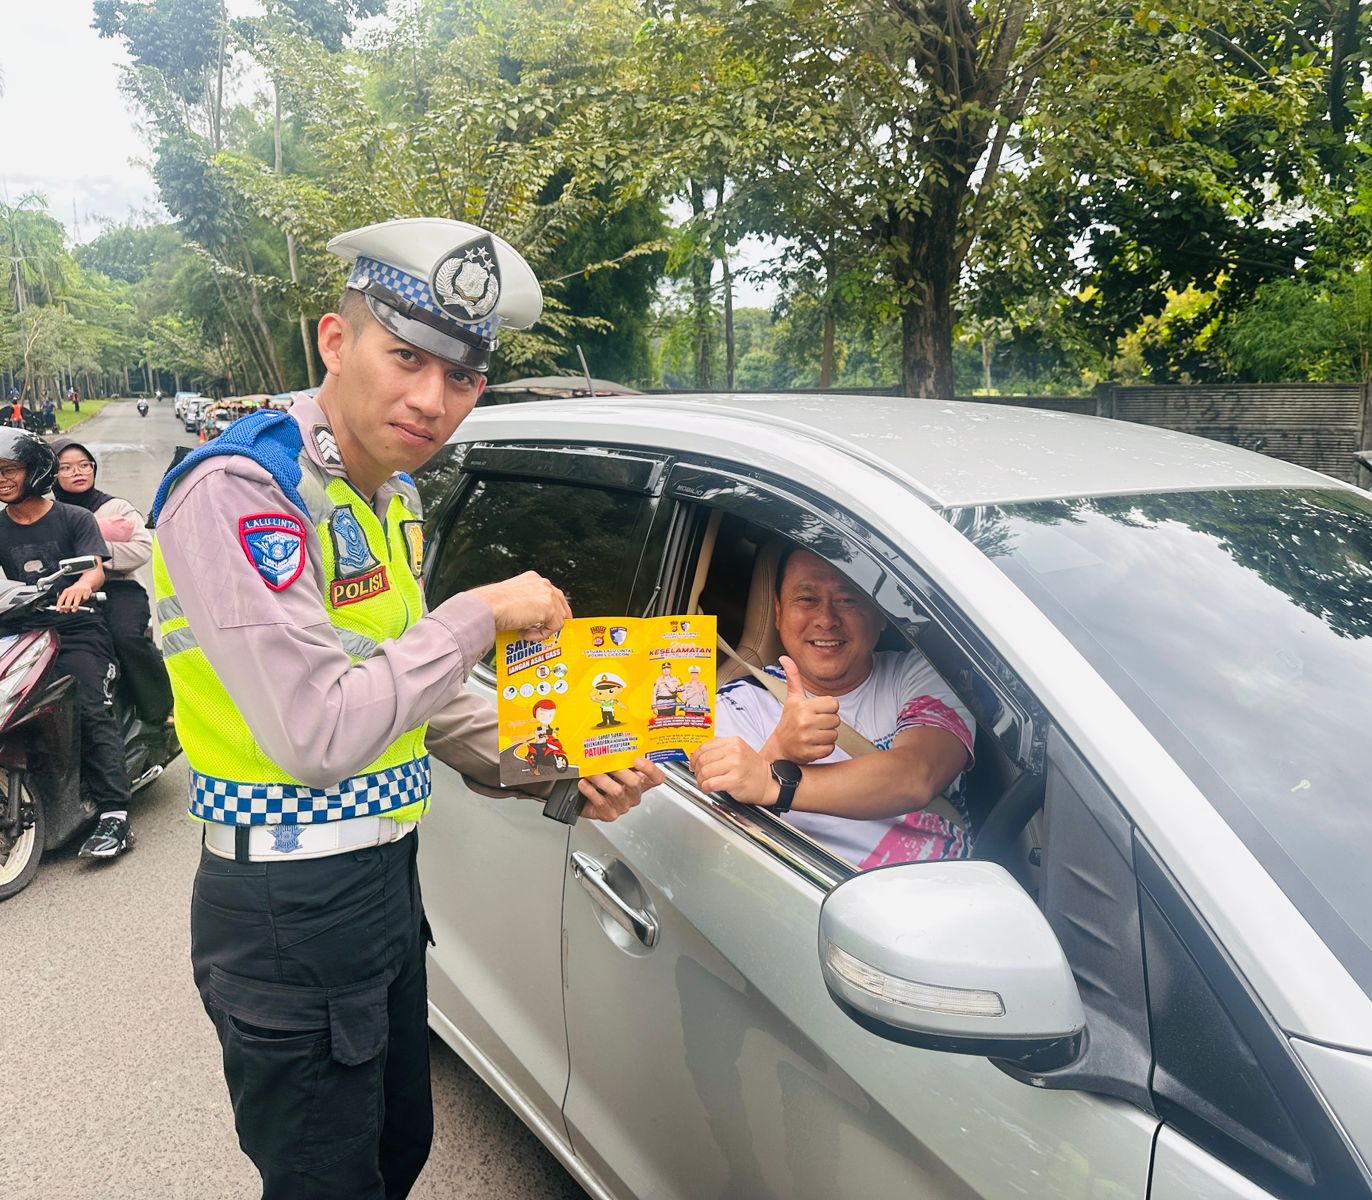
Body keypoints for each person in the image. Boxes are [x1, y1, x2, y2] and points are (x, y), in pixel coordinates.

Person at [149, 217, 664, 1200]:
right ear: (335, 342)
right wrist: (479, 614)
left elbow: (411, 700)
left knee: (396, 1150)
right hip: (287, 906)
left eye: (462, 376)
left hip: (385, 884)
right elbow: (319, 730)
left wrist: (566, 758)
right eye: (407, 358)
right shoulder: (244, 490)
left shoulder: (390, 497)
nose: (433, 400)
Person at [691, 547, 974, 868]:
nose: (826, 619)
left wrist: (772, 782)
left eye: (847, 599)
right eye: (806, 599)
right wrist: (780, 750)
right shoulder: (734, 705)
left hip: (948, 887)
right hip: (815, 889)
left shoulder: (923, 675)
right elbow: (726, 849)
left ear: (881, 614)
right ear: (779, 613)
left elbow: (917, 775)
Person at [0, 429, 136, 858]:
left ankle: (115, 815)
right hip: (20, 629)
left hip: (75, 628)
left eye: (9, 469)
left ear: (35, 471)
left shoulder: (74, 518)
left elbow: (94, 568)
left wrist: (81, 586)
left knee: (91, 708)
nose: (2, 479)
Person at [51, 440, 174, 742]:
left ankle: (161, 707)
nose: (78, 472)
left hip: (119, 588)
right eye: (66, 468)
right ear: (50, 474)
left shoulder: (115, 507)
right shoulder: (47, 512)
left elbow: (141, 549)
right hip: (64, 593)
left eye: (84, 465)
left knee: (124, 636)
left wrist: (90, 550)